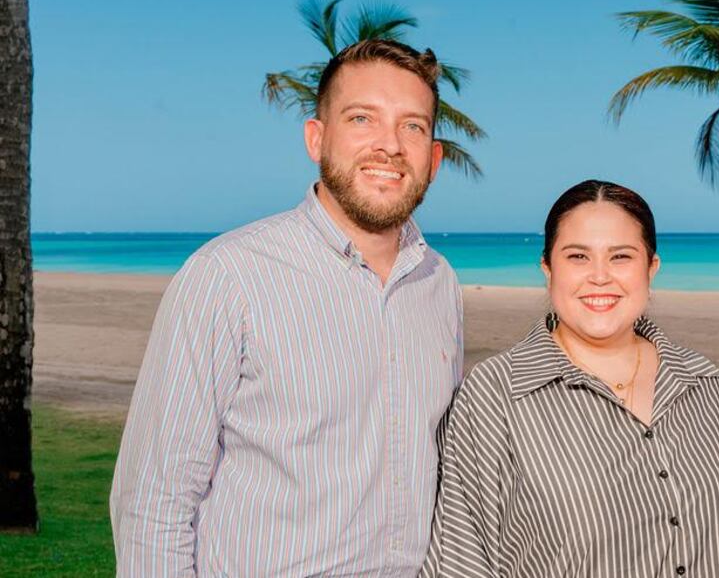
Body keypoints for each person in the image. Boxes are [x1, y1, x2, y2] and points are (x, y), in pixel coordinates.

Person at [110, 39, 463, 576]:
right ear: (316, 138)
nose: (390, 145)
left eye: (412, 126)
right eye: (362, 119)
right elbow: (153, 502)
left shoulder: (440, 284)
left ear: (433, 159)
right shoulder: (227, 276)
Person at [420, 180, 719, 577]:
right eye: (578, 256)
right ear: (548, 269)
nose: (599, 276)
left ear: (651, 268)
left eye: (621, 256)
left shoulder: (707, 384)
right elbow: (461, 558)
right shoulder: (496, 393)